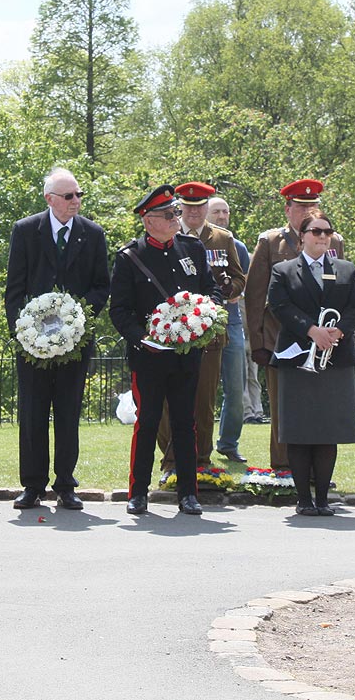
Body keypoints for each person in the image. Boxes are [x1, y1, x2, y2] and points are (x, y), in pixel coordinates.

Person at [109, 185, 222, 515]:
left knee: (186, 423)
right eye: (168, 214)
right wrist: (142, 338)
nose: (176, 218)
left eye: (175, 212)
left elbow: (210, 289)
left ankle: (188, 493)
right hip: (150, 356)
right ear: (148, 221)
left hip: (187, 354)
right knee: (147, 421)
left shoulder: (192, 248)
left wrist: (206, 312)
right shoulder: (131, 256)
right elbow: (121, 310)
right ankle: (138, 492)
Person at [5, 167, 110, 510]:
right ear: (50, 199)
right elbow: (15, 290)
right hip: (32, 344)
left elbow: (100, 286)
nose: (75, 201)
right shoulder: (25, 231)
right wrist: (25, 334)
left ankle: (66, 484)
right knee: (32, 413)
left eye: (79, 195)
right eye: (68, 196)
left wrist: (75, 318)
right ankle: (32, 485)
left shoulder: (92, 234)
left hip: (75, 342)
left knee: (68, 413)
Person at [267, 210, 355, 516]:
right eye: (316, 231)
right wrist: (312, 330)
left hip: (334, 358)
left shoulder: (346, 269)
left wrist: (338, 331)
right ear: (302, 236)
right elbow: (279, 305)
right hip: (298, 357)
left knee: (327, 430)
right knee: (300, 430)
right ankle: (303, 500)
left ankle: (322, 498)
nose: (323, 236)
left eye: (327, 232)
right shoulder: (284, 270)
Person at [246, 179, 340, 473]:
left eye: (311, 207)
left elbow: (341, 290)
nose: (305, 212)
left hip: (322, 341)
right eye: (300, 207)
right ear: (287, 210)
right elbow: (255, 295)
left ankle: (316, 471)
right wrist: (257, 342)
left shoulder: (333, 241)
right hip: (280, 339)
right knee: (284, 408)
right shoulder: (271, 242)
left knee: (319, 407)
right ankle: (284, 468)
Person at [156, 182, 246, 474]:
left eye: (199, 206)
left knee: (204, 401)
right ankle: (172, 461)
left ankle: (201, 462)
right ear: (179, 207)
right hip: (172, 331)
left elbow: (239, 278)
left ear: (207, 207)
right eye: (189, 207)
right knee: (169, 401)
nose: (194, 212)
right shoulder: (165, 232)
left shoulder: (221, 238)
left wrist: (227, 290)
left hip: (209, 333)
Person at [207, 195, 251, 462]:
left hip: (231, 322)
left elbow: (240, 285)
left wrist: (233, 289)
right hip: (200, 322)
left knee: (237, 388)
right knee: (202, 389)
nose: (222, 216)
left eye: (226, 211)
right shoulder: (194, 243)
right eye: (217, 212)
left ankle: (228, 443)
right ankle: (198, 445)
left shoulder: (238, 247)